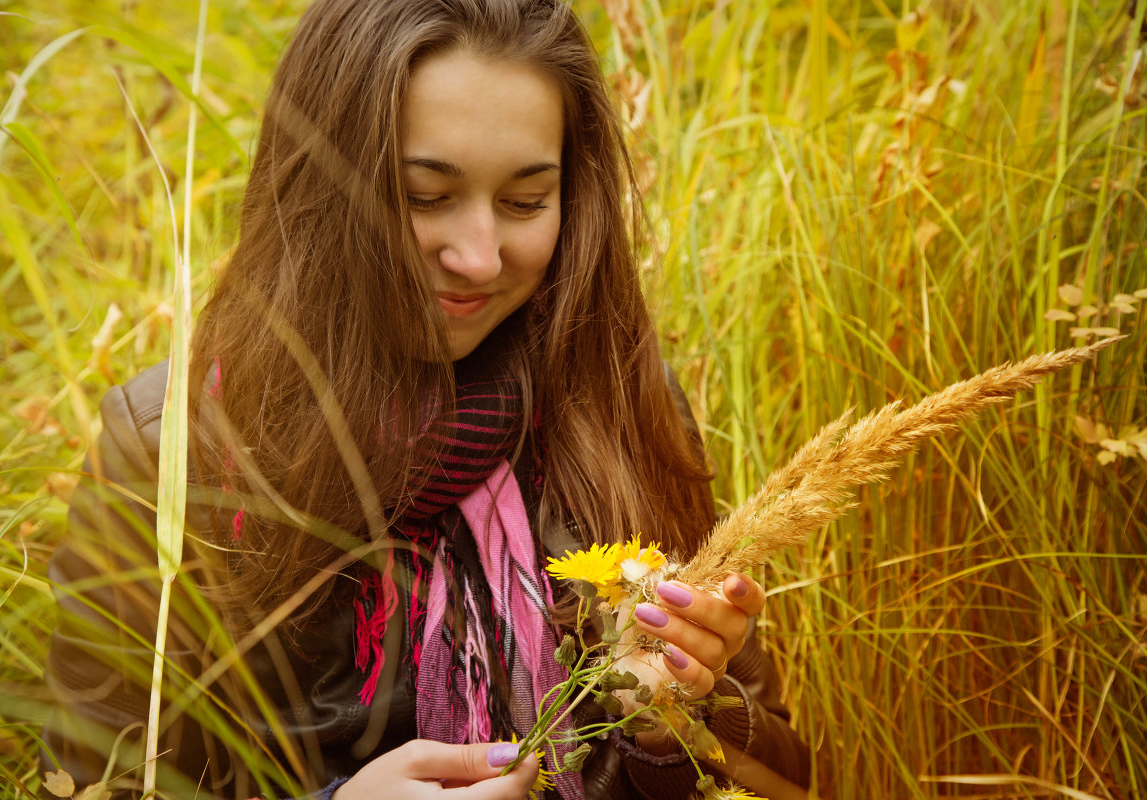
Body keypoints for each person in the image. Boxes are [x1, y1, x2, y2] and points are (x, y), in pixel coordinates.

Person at [42, 1, 811, 798]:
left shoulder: (612, 404)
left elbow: (786, 775)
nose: (478, 257)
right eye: (422, 195)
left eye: (523, 202)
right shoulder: (172, 446)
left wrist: (669, 719)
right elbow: (91, 782)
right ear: (316, 184)